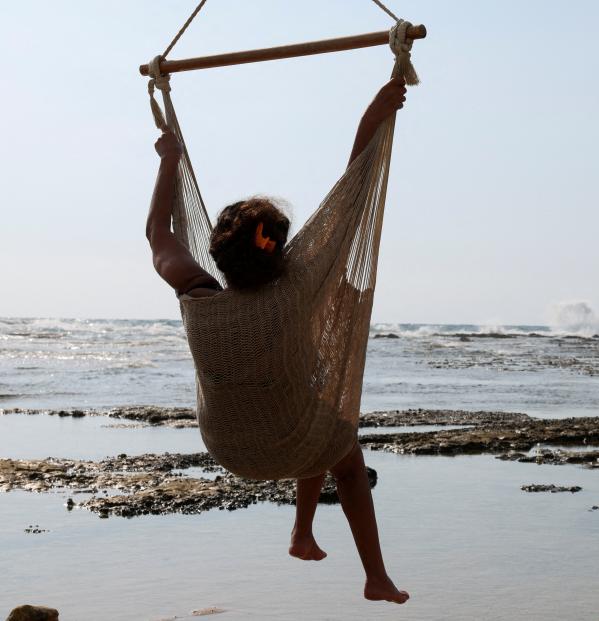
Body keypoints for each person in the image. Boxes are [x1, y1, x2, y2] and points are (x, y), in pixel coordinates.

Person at [146, 77, 409, 605]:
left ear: (218, 255)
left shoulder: (198, 296)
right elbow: (348, 200)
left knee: (312, 412)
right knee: (341, 449)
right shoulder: (294, 290)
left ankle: (302, 534)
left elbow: (158, 234)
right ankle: (375, 576)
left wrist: (169, 158)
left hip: (228, 447)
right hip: (294, 437)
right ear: (281, 253)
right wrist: (371, 120)